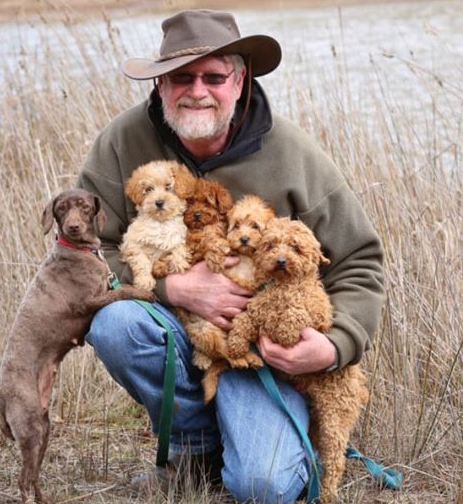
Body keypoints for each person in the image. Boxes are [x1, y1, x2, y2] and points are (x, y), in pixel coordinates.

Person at [78, 9, 384, 504]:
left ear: (239, 81)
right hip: (178, 327)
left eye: (213, 76)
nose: (197, 89)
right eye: (181, 76)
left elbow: (360, 260)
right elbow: (86, 248)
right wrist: (171, 287)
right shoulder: (121, 141)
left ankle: (274, 443)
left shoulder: (294, 155)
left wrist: (332, 348)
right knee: (116, 326)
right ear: (160, 85)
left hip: (263, 354)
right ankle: (196, 450)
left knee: (263, 489)